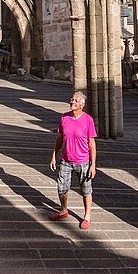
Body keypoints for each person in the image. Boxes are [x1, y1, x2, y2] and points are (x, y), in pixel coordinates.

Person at [48, 90, 97, 230]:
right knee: (61, 188)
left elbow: (92, 144)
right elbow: (60, 138)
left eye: (75, 101)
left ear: (82, 104)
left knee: (86, 190)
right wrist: (53, 154)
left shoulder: (88, 120)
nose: (72, 102)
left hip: (83, 161)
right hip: (66, 160)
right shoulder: (64, 117)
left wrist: (93, 165)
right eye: (72, 100)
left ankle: (87, 216)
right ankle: (63, 210)